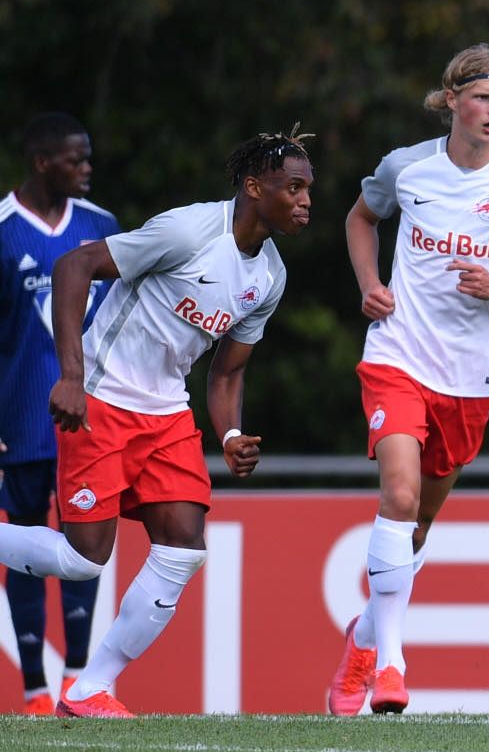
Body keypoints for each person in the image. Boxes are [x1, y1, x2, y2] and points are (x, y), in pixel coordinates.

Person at [0, 128, 313, 718]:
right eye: (292, 187)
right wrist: (70, 376)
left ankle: (92, 687)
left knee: (183, 548)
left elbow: (224, 376)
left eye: (307, 191)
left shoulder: (269, 276)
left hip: (166, 412)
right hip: (102, 397)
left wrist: (230, 435)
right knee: (84, 558)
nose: (304, 201)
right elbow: (75, 265)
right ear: (253, 186)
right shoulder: (189, 230)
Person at [325, 43, 489, 716]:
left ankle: (363, 640)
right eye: (483, 99)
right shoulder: (406, 168)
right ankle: (390, 669)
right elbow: (360, 218)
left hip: (470, 378)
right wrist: (371, 284)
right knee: (399, 495)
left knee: (418, 526)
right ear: (453, 101)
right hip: (397, 356)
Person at [0, 113, 121, 714]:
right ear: (43, 162)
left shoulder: (102, 228)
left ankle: (79, 675)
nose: (87, 169)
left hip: (94, 419)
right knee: (24, 542)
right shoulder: (2, 230)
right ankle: (35, 691)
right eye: (77, 160)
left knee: (87, 543)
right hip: (22, 419)